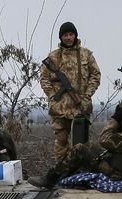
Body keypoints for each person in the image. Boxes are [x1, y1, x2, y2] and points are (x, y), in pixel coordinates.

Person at [29, 98, 122, 189]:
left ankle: (50, 179)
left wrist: (115, 119)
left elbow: (104, 139)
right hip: (116, 166)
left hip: (116, 174)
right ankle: (63, 176)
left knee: (80, 149)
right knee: (90, 147)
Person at [39, 21, 101, 161]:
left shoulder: (86, 55)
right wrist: (52, 95)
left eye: (71, 34)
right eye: (65, 35)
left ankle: (79, 173)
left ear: (75, 35)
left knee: (80, 144)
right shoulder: (53, 57)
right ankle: (61, 173)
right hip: (59, 108)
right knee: (61, 143)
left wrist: (86, 96)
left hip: (80, 107)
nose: (68, 38)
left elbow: (95, 76)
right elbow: (44, 78)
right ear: (61, 37)